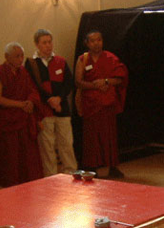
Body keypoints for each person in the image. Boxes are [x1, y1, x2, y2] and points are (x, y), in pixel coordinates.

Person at [75, 31, 128, 178]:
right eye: (92, 41)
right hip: (90, 105)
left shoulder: (111, 58)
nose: (96, 43)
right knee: (91, 137)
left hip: (107, 105)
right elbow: (78, 82)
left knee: (109, 136)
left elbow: (120, 79)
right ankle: (91, 167)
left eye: (99, 40)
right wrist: (95, 85)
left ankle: (112, 166)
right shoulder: (83, 60)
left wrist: (106, 81)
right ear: (87, 43)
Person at [25, 29, 77, 176]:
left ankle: (71, 174)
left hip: (62, 109)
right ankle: (51, 177)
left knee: (66, 144)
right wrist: (49, 99)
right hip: (44, 111)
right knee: (47, 147)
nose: (48, 45)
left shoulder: (60, 61)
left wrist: (59, 98)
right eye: (44, 43)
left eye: (49, 42)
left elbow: (68, 83)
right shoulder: (31, 64)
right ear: (37, 44)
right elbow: (33, 85)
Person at [0, 42, 43, 187]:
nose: (20, 59)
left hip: (23, 120)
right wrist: (20, 105)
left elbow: (32, 91)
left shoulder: (23, 72)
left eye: (22, 56)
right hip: (8, 121)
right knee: (11, 157)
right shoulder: (1, 72)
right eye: (17, 56)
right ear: (7, 57)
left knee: (27, 156)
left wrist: (30, 101)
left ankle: (27, 185)